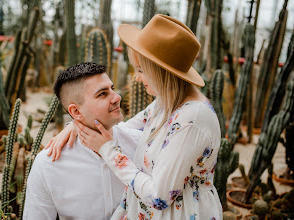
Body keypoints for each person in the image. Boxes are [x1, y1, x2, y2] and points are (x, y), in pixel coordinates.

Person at [47, 14, 222, 219]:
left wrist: (108, 150)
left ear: (161, 72)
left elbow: (159, 197)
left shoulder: (191, 120)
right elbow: (125, 128)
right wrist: (77, 124)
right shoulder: (165, 103)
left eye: (141, 70)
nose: (137, 78)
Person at [23, 62, 143, 220]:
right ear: (76, 111)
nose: (116, 97)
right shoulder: (48, 164)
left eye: (112, 89)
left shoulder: (140, 144)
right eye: (102, 94)